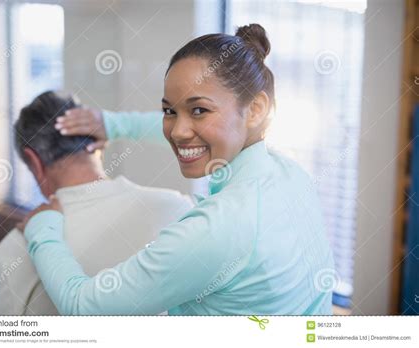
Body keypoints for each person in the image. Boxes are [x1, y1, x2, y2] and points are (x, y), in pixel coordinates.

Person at [21, 24, 335, 315]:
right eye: (169, 111)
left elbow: (84, 308)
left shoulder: (215, 230)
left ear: (255, 110)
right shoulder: (291, 174)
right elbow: (202, 132)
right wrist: (114, 125)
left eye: (199, 109)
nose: (177, 131)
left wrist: (42, 228)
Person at [0, 91, 192, 315]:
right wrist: (120, 124)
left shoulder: (16, 248)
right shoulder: (180, 210)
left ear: (34, 162)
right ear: (100, 145)